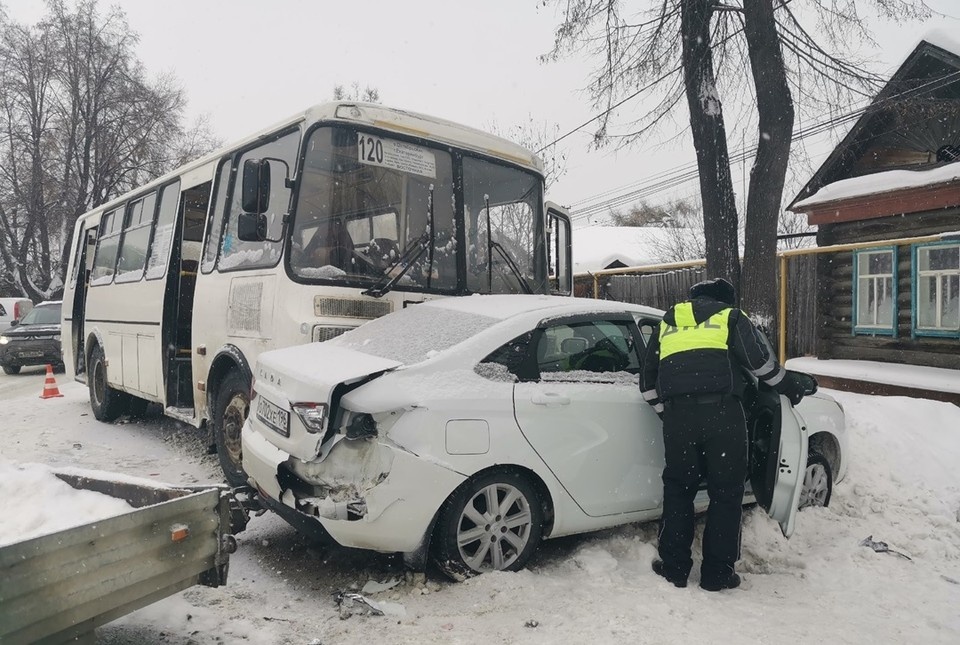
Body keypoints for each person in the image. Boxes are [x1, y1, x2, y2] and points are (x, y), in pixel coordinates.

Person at [640, 277, 805, 592]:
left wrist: (669, 413)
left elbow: (647, 383)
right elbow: (760, 365)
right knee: (726, 493)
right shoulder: (730, 317)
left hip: (678, 418)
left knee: (678, 490)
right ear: (726, 300)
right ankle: (717, 573)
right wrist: (789, 385)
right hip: (722, 415)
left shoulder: (668, 321)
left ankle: (674, 568)